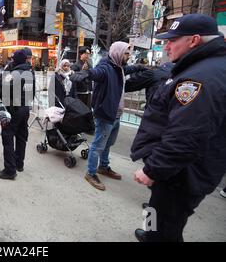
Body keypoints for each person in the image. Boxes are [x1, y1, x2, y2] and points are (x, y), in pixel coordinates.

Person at [131, 14, 226, 242]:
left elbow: (186, 137)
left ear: (194, 40)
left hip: (178, 174)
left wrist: (152, 170)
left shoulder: (200, 78)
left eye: (173, 40)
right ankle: (149, 233)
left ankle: (152, 236)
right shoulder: (202, 67)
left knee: (165, 228)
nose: (167, 45)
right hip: (176, 171)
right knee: (156, 212)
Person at [73, 42, 143, 191]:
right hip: (105, 114)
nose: (128, 57)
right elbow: (97, 73)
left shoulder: (118, 67)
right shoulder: (105, 67)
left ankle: (103, 167)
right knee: (98, 145)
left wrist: (139, 67)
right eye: (126, 54)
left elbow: (127, 68)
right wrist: (88, 73)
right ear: (118, 53)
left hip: (116, 114)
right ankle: (91, 173)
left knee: (108, 143)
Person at [0, 49, 36, 179]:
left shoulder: (13, 73)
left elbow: (3, 88)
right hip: (25, 109)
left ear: (15, 60)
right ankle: (19, 164)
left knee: (8, 137)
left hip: (14, 109)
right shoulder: (30, 72)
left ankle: (10, 170)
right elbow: (32, 92)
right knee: (21, 136)